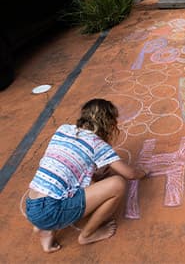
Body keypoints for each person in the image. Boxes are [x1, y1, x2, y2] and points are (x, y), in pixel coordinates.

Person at [25, 98, 147, 253]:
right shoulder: (97, 144)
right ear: (108, 124)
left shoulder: (63, 129)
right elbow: (130, 174)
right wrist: (143, 172)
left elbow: (69, 165)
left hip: (33, 205)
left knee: (85, 180)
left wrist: (94, 175)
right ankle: (88, 235)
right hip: (52, 210)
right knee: (117, 183)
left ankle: (45, 231)